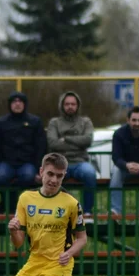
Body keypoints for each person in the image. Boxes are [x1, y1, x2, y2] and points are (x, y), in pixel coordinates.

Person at [46, 91, 97, 221]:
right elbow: (53, 143)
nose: (70, 106)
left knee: (90, 174)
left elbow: (87, 140)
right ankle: (59, 212)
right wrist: (77, 142)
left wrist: (66, 138)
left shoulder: (85, 122)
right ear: (62, 105)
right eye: (67, 104)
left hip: (81, 161)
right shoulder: (54, 122)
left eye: (73, 104)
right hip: (60, 162)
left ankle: (87, 213)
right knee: (53, 178)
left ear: (78, 105)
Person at [0, 91, 46, 210]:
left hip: (27, 162)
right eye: (14, 101)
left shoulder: (35, 122)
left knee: (28, 176)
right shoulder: (0, 123)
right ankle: (9, 206)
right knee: (2, 176)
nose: (17, 104)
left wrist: (39, 169)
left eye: (20, 101)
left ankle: (17, 205)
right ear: (10, 104)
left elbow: (41, 146)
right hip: (7, 162)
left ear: (25, 104)